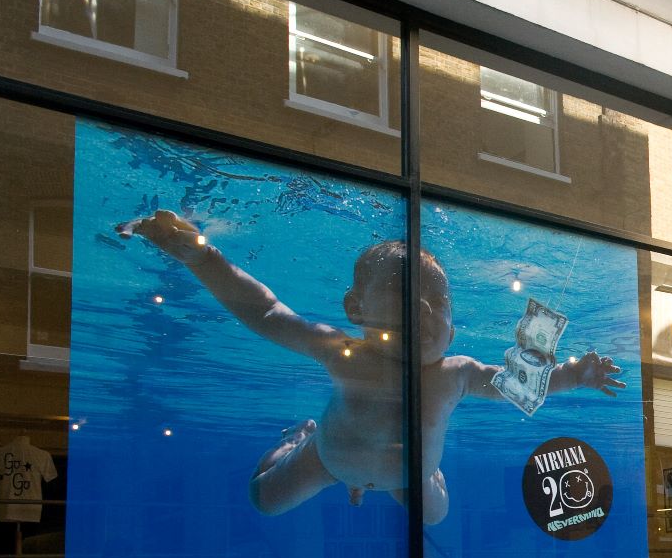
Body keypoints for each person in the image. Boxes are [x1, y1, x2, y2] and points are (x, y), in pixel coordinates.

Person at [119, 210, 624, 525]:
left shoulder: (457, 372)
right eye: (403, 295)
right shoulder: (345, 353)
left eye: (438, 301)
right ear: (354, 309)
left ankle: (429, 473)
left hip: (406, 476)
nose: (424, 311)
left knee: (435, 518)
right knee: (263, 499)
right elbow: (267, 312)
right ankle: (300, 437)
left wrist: (574, 375)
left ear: (452, 330)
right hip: (329, 460)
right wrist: (203, 258)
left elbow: (521, 385)